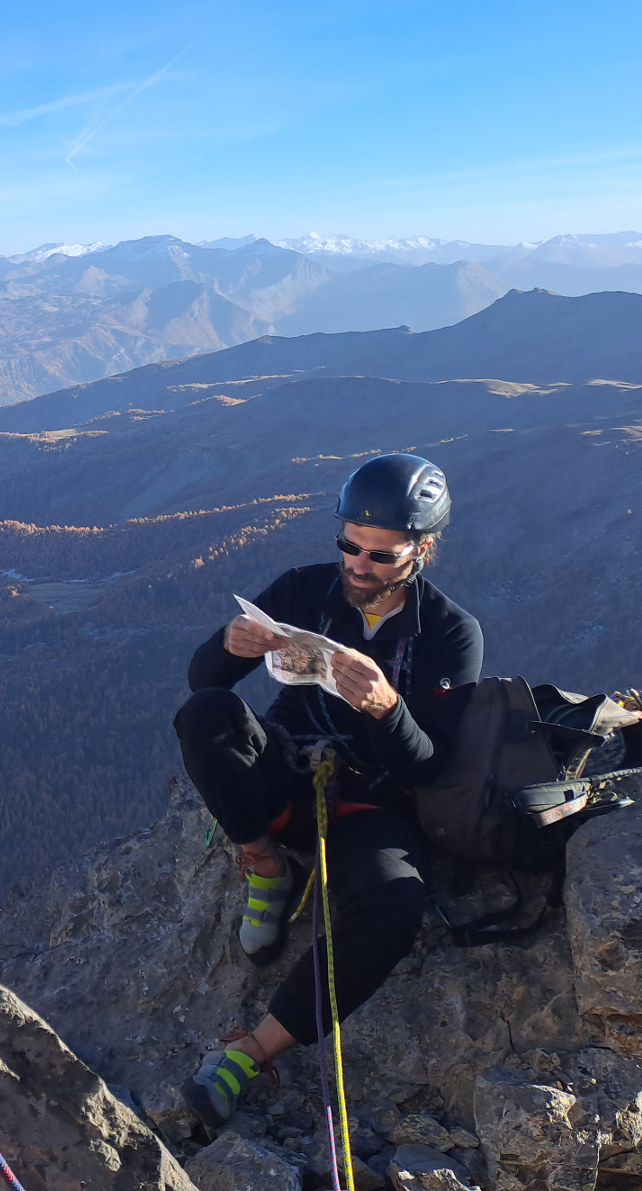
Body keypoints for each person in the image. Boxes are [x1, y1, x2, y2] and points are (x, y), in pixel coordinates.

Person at [175, 453, 483, 1127]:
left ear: (423, 549)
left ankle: (248, 1054)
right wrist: (231, 647)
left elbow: (427, 767)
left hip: (372, 804)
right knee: (205, 718)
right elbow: (206, 687)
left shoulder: (451, 635)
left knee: (396, 906)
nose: (358, 564)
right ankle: (264, 864)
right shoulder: (304, 590)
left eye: (381, 554)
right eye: (349, 544)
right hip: (287, 768)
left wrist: (386, 709)